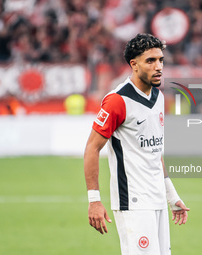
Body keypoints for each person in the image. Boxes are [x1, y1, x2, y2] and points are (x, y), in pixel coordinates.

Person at [84, 33, 189, 255]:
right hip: (134, 201)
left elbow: (155, 152)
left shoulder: (158, 97)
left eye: (160, 60)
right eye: (150, 61)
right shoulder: (117, 101)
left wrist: (171, 196)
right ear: (134, 64)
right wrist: (94, 201)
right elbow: (92, 149)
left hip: (158, 199)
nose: (158, 66)